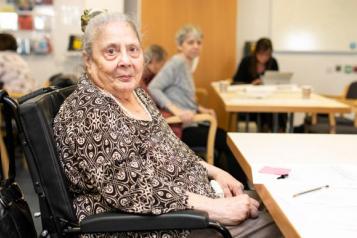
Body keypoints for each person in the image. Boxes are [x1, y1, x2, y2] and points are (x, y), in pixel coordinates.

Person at [53, 11, 281, 238]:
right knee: (281, 224)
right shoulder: (90, 109)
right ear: (88, 60)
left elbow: (174, 149)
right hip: (153, 226)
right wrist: (217, 209)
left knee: (276, 204)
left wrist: (215, 171)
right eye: (111, 52)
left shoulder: (137, 96)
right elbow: (129, 188)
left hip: (190, 204)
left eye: (132, 49)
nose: (125, 61)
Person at [148, 25, 248, 186]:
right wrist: (176, 110)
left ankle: (230, 184)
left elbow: (182, 93)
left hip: (191, 121)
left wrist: (201, 108)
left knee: (225, 139)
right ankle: (240, 186)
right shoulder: (177, 63)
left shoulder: (187, 63)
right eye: (190, 42)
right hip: (182, 128)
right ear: (180, 45)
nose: (196, 46)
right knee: (229, 142)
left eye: (199, 42)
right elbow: (154, 87)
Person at [232, 38, 286, 131]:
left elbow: (277, 81)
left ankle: (278, 130)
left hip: (268, 98)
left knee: (280, 111)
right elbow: (236, 82)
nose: (264, 58)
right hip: (249, 100)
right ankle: (265, 129)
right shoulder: (246, 61)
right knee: (265, 112)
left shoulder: (273, 62)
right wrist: (251, 84)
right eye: (261, 54)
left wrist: (267, 83)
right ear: (256, 52)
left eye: (267, 55)